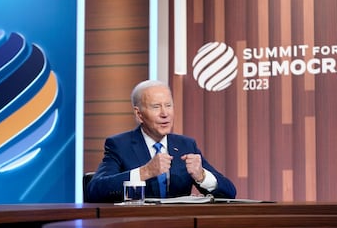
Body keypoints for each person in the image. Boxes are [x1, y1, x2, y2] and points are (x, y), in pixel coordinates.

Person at [86, 79, 237, 202]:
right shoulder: (119, 145)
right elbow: (95, 190)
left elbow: (230, 192)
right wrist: (144, 172)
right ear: (139, 115)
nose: (165, 114)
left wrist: (202, 176)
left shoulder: (185, 145)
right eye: (156, 107)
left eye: (168, 106)